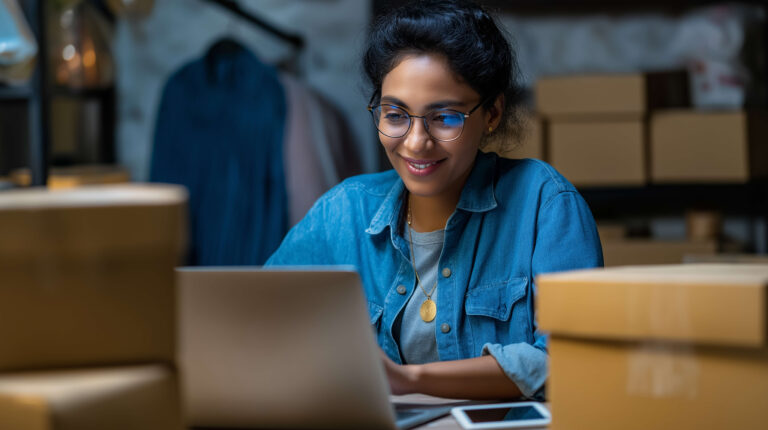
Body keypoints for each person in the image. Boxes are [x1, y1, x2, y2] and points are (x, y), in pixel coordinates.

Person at [266, 0, 603, 400]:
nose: (416, 142)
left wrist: (411, 380)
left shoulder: (545, 205)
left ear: (492, 112)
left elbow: (572, 360)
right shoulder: (343, 211)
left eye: (444, 117)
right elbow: (253, 323)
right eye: (395, 115)